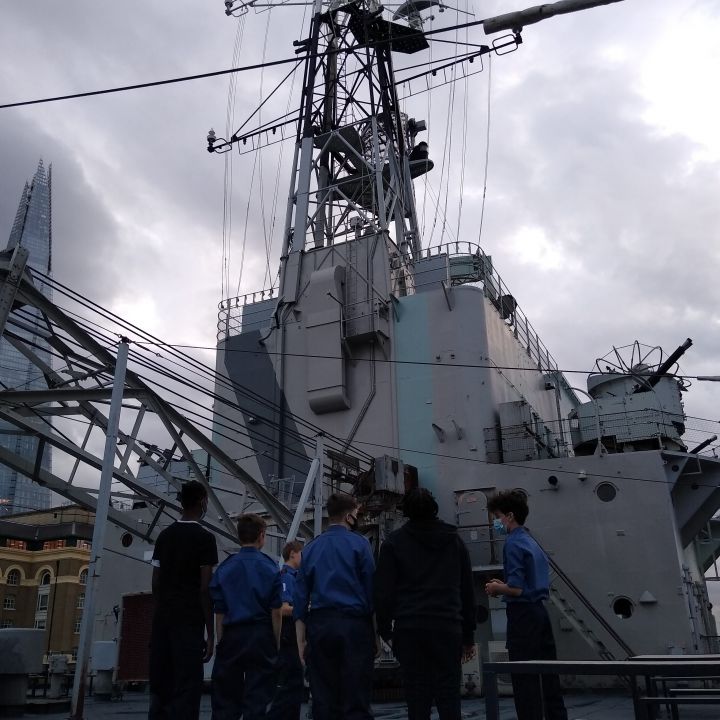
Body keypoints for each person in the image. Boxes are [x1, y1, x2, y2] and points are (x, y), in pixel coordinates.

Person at [374, 488, 477, 720]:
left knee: (416, 698)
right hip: (447, 627)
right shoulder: (455, 541)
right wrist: (468, 635)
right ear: (434, 507)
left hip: (410, 629)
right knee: (449, 696)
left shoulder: (393, 543)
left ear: (406, 511)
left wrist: (385, 630)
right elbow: (467, 589)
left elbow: (383, 592)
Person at [485, 490, 568, 720]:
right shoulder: (530, 540)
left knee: (525, 678)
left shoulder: (512, 543)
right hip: (540, 613)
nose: (495, 522)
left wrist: (496, 588)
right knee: (549, 675)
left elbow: (517, 590)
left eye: (497, 516)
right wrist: (506, 584)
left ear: (509, 516)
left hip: (522, 616)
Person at [293, 494, 376, 720]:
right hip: (354, 625)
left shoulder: (310, 548)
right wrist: (374, 633)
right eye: (356, 514)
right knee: (356, 697)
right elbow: (370, 591)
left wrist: (301, 641)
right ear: (349, 516)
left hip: (320, 626)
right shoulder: (360, 544)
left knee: (323, 697)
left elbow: (300, 599)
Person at [149, 480, 218, 720]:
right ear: (202, 502)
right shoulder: (205, 539)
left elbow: (155, 583)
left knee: (161, 689)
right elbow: (204, 588)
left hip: (162, 623)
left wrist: (158, 617)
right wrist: (210, 633)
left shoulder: (164, 537)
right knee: (187, 691)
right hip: (189, 623)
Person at [210, 513, 283, 720]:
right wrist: (275, 642)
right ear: (262, 535)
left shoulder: (225, 568)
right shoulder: (270, 567)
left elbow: (220, 612)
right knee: (257, 701)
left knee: (225, 702)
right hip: (260, 635)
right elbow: (276, 611)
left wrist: (221, 642)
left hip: (232, 635)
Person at [268, 540, 305, 720]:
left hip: (291, 634)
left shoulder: (296, 576)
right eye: (301, 554)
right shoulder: (286, 577)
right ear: (293, 554)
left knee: (295, 681)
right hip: (288, 635)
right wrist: (305, 608)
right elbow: (282, 609)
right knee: (293, 680)